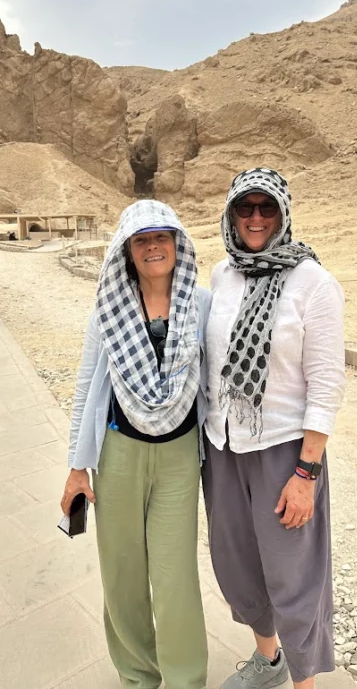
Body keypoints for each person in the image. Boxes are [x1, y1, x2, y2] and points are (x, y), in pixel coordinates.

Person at [203, 167, 346, 689]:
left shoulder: (314, 283)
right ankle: (269, 662)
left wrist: (306, 473)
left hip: (285, 453)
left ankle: (304, 682)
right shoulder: (222, 275)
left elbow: (326, 383)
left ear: (283, 214)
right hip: (222, 447)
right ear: (231, 214)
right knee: (237, 565)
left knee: (295, 581)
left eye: (267, 208)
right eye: (246, 208)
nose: (256, 218)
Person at [60, 199, 210, 689]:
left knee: (175, 576)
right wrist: (77, 467)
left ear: (177, 245)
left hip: (179, 457)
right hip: (118, 453)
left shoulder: (202, 304)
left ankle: (186, 678)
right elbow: (86, 386)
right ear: (128, 251)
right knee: (122, 572)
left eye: (161, 237)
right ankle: (137, 676)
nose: (152, 247)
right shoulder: (108, 309)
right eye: (142, 240)